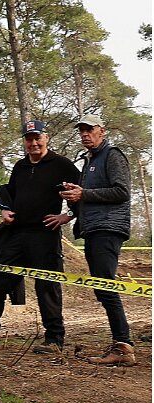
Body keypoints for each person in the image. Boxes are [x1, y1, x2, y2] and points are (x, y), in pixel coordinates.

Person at [0, 120, 79, 354]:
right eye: (29, 139)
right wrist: (5, 210)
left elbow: (81, 192)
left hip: (45, 234)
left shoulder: (62, 164)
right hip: (16, 233)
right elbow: (9, 193)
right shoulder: (20, 166)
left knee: (47, 285)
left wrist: (68, 216)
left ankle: (54, 338)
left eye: (37, 138)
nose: (33, 143)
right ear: (24, 141)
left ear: (46, 138)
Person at [60, 114, 136, 366]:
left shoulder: (113, 155)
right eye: (81, 130)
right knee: (102, 288)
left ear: (102, 131)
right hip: (92, 229)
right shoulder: (89, 160)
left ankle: (124, 346)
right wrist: (70, 209)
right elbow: (87, 196)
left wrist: (85, 193)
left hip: (108, 228)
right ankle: (121, 343)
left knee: (106, 286)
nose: (84, 134)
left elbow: (122, 191)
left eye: (89, 129)